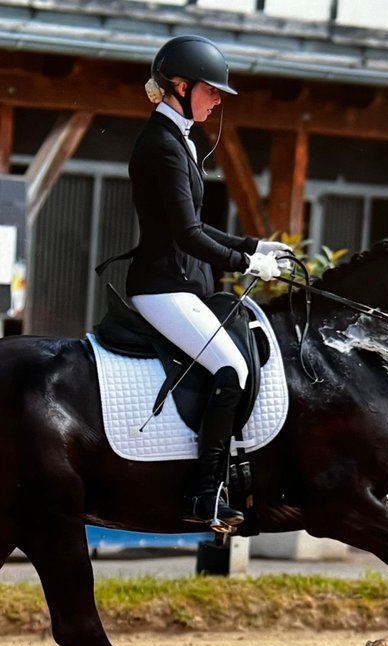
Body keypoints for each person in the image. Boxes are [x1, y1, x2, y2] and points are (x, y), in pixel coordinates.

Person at [125, 34, 291, 531]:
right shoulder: (162, 145)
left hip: (182, 283)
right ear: (180, 86)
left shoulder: (180, 139)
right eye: (211, 90)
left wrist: (251, 246)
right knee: (232, 368)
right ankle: (204, 495)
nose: (218, 99)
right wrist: (246, 264)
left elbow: (197, 223)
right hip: (161, 286)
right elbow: (187, 234)